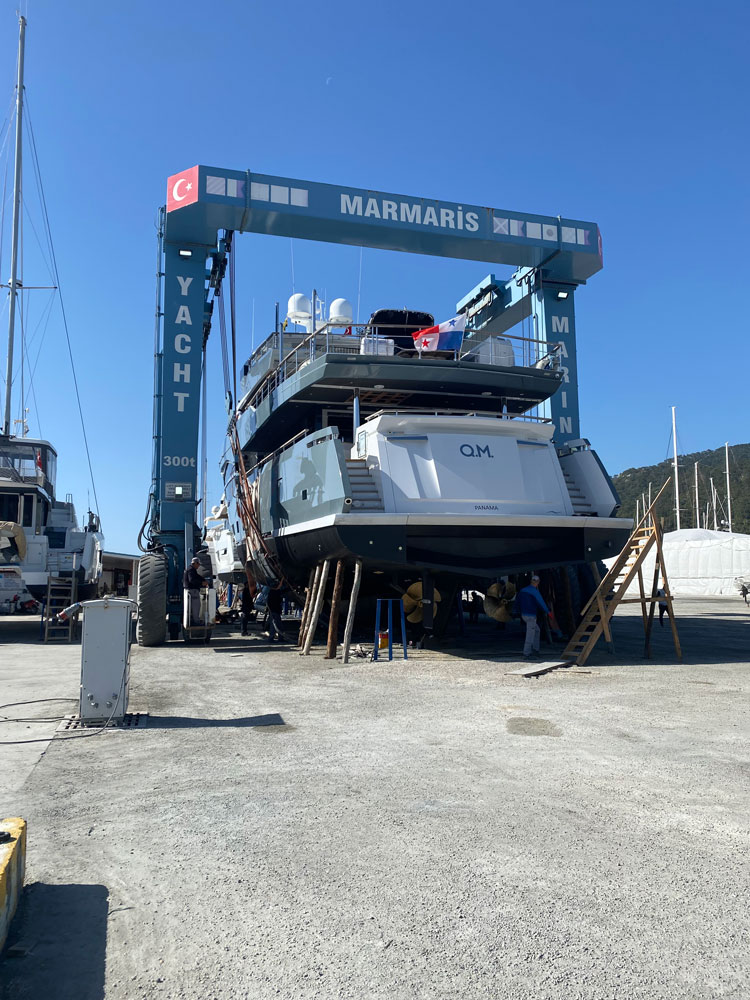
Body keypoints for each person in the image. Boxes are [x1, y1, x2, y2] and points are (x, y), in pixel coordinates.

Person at [517, 575, 549, 659]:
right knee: (530, 634)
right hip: (531, 615)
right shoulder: (534, 591)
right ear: (538, 582)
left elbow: (517, 602)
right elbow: (541, 602)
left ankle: (535, 649)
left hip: (524, 615)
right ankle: (527, 653)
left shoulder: (523, 590)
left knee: (537, 630)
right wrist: (548, 612)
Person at [183, 557, 205, 625]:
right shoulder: (191, 570)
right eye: (198, 564)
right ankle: (196, 621)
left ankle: (191, 620)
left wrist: (203, 579)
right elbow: (192, 580)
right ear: (195, 563)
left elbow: (197, 576)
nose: (199, 566)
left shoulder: (190, 569)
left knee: (190, 607)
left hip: (189, 590)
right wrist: (202, 583)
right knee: (196, 606)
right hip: (193, 591)